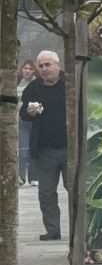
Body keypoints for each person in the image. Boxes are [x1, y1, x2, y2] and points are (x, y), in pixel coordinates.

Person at [21, 51, 67, 240]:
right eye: (40, 66)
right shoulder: (33, 88)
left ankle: (79, 229)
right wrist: (29, 112)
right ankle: (53, 229)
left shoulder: (69, 84)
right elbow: (22, 113)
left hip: (70, 147)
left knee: (76, 191)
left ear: (58, 65)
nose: (44, 69)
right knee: (46, 193)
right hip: (44, 149)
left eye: (48, 65)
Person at [16, 59, 35, 186]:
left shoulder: (36, 83)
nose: (27, 71)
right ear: (21, 69)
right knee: (21, 150)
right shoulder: (15, 82)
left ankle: (33, 177)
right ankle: (21, 177)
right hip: (17, 119)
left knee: (31, 149)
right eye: (25, 68)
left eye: (30, 68)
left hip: (32, 120)